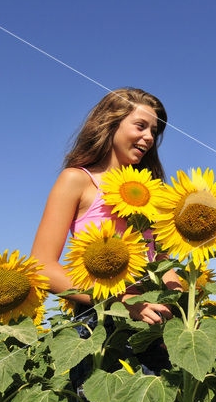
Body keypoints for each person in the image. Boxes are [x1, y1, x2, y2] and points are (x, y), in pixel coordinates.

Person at [31, 88, 180, 376]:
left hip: (151, 325)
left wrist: (179, 301)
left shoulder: (153, 193)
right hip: (99, 323)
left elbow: (162, 265)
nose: (149, 137)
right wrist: (122, 302)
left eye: (154, 131)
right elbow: (42, 267)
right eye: (140, 126)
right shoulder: (77, 180)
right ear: (110, 124)